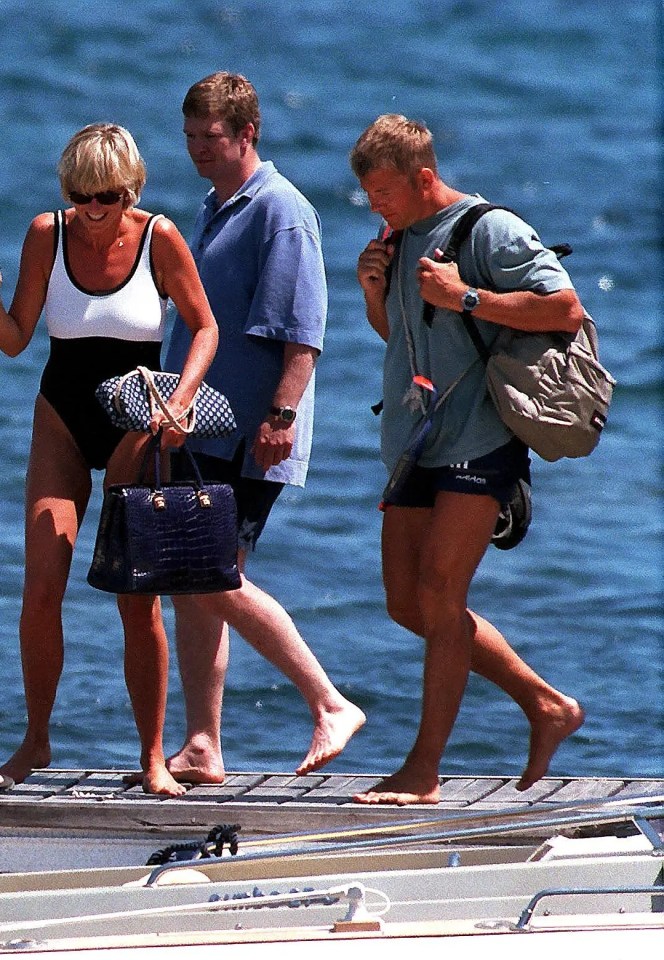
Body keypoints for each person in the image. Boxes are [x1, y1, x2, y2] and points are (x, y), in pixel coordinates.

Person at [350, 114, 586, 805]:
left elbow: (565, 308)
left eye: (385, 192)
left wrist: (468, 295)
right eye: (368, 195)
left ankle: (422, 770)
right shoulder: (399, 238)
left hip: (482, 437)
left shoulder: (491, 230)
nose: (375, 206)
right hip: (416, 439)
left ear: (424, 177)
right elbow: (402, 339)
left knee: (442, 595)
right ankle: (546, 705)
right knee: (406, 602)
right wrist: (375, 292)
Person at [0, 123, 219, 796]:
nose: (93, 209)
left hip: (137, 422)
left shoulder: (161, 238)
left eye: (108, 196)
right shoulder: (47, 235)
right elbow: (14, 341)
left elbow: (205, 325)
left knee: (137, 601)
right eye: (81, 194)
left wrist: (180, 400)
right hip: (62, 420)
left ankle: (153, 757)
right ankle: (35, 739)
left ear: (131, 190)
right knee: (41, 587)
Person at [164, 72, 365, 784]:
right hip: (200, 430)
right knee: (193, 583)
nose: (197, 151)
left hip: (249, 432)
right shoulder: (216, 205)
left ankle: (328, 701)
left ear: (247, 133)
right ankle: (201, 743)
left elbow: (303, 333)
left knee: (208, 573)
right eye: (189, 137)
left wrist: (280, 415)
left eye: (210, 138)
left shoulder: (280, 210)